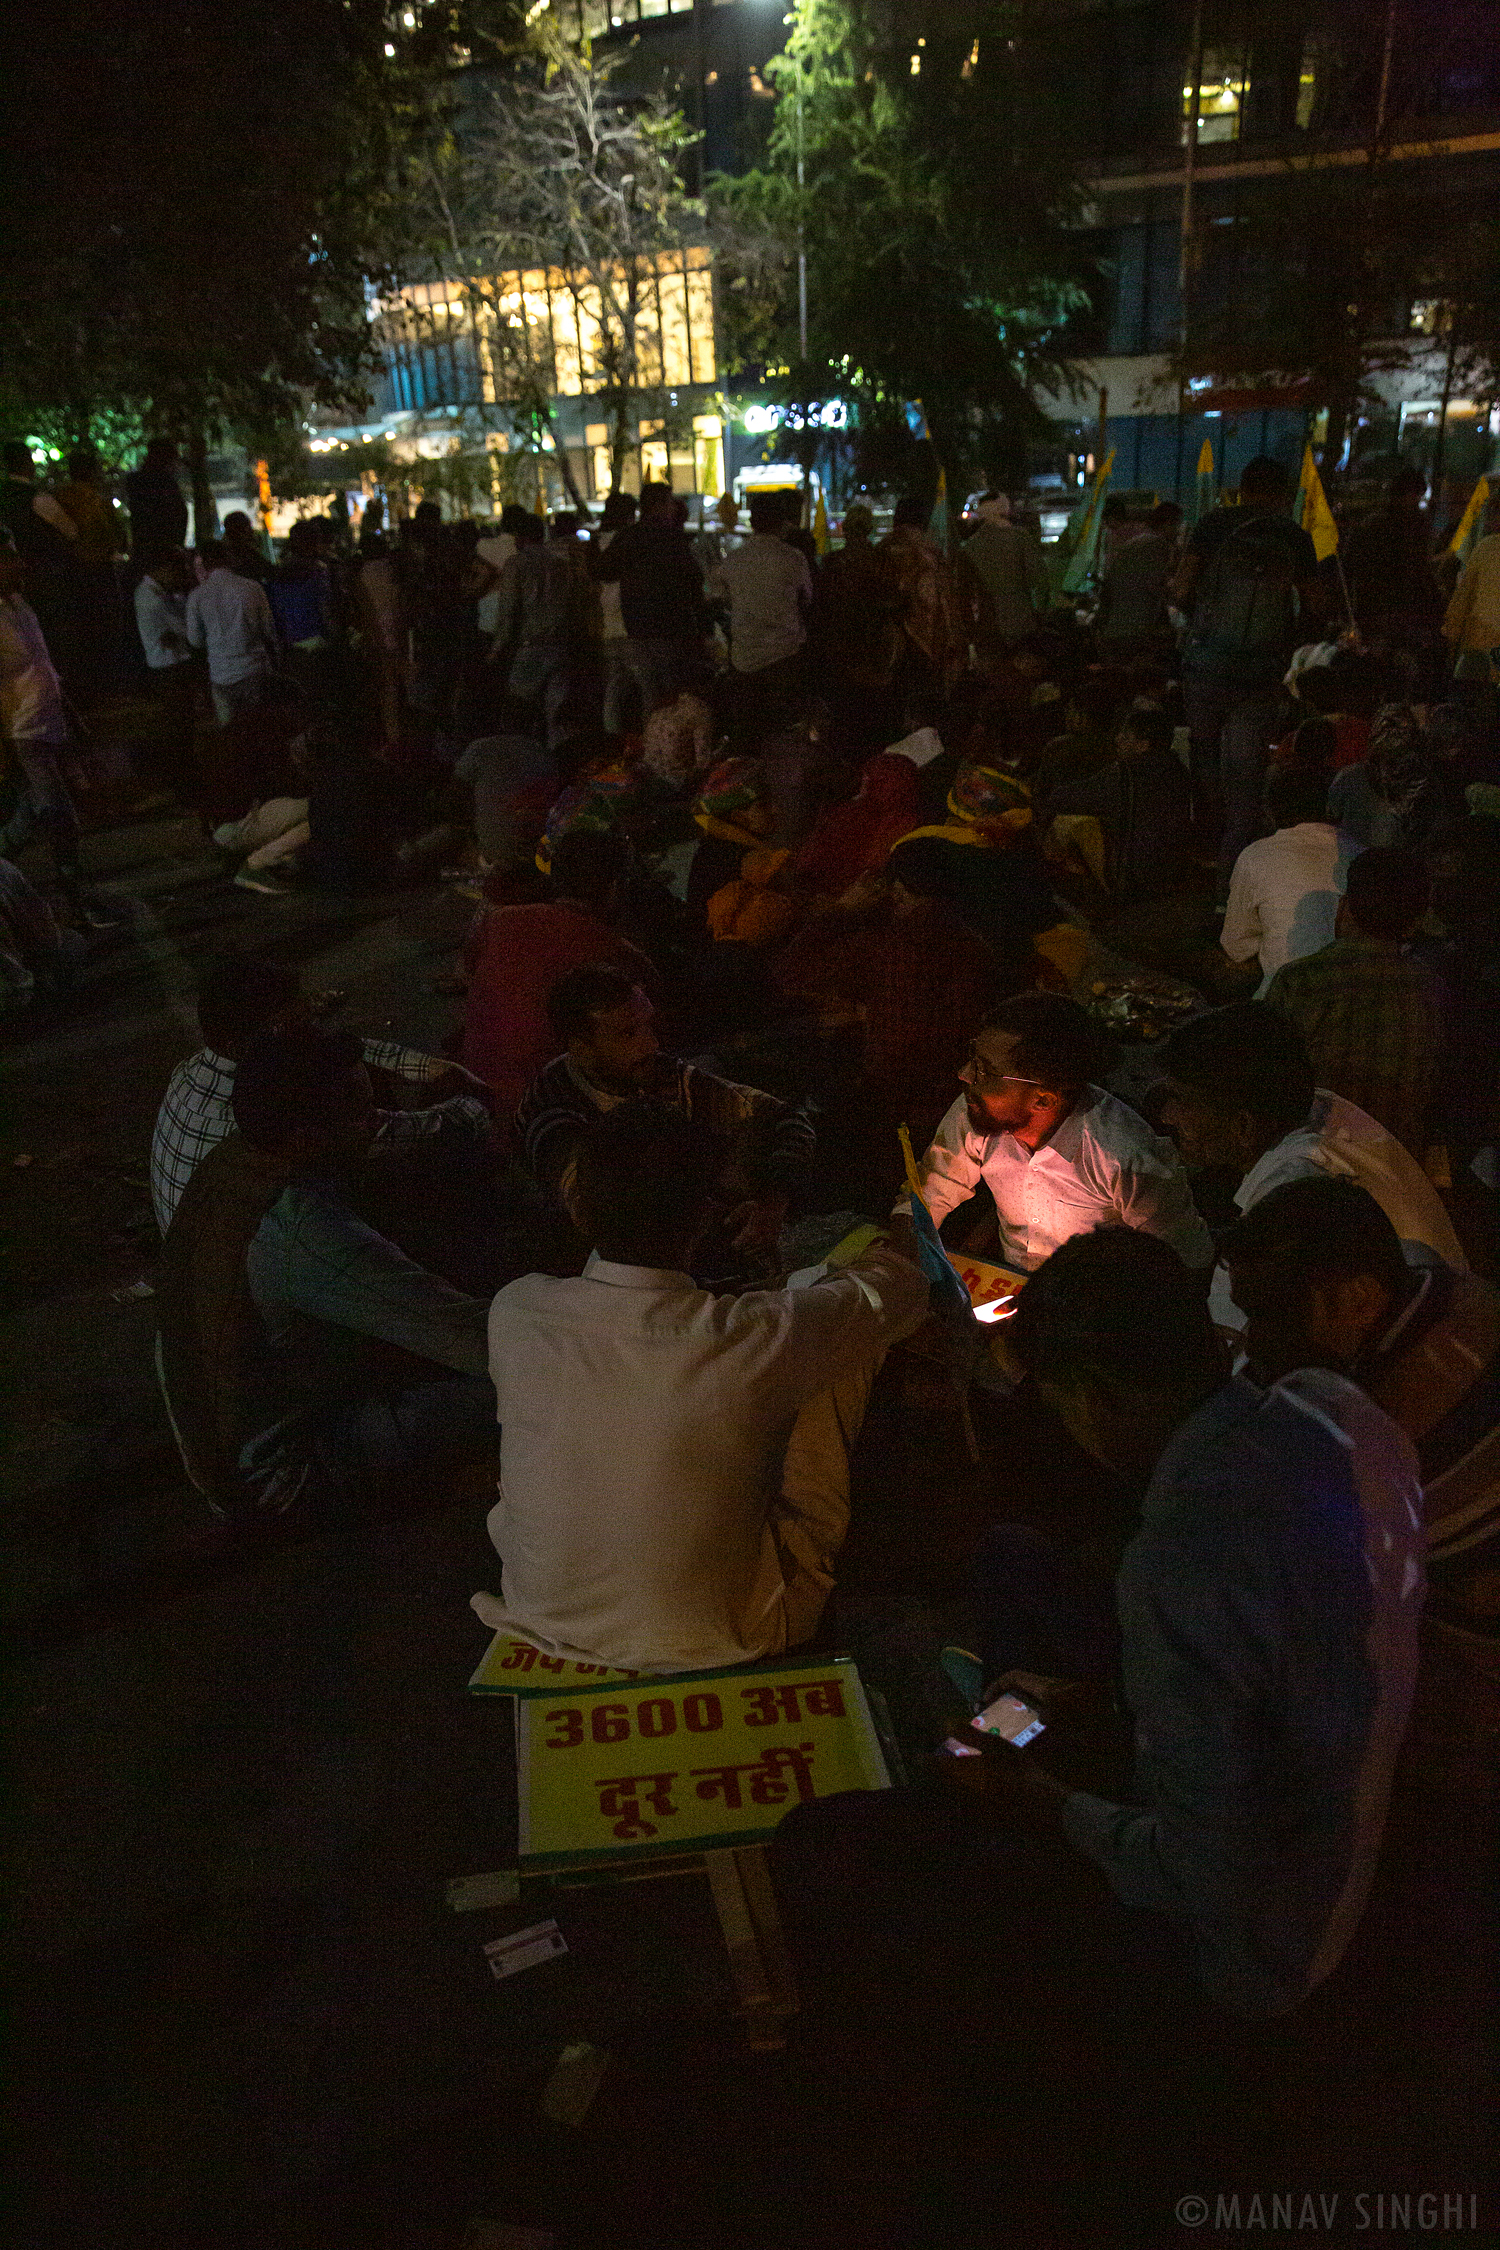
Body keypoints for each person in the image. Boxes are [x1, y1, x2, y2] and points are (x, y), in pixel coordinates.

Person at [478, 1100, 930, 1671]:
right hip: (731, 1632)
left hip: (541, 1607)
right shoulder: (749, 1334)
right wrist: (889, 1240)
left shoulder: (517, 1309)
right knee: (844, 1347)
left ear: (577, 1203)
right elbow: (903, 1294)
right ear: (702, 1219)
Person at [156, 1023, 498, 1519]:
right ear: (305, 1133)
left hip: (220, 1424)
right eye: (360, 1113)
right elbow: (478, 1343)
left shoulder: (236, 1159)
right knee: (522, 1380)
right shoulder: (300, 1231)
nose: (377, 1121)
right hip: (281, 1472)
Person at [1220, 1175, 1498, 1645]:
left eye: (1274, 1312)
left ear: (1361, 1298)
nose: (1258, 1336)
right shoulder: (1450, 1286)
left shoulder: (1371, 1424)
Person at [1154, 1002, 1465, 1331]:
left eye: (1183, 1101)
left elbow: (1241, 1337)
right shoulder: (1318, 1104)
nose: (1168, 1116)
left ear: (1244, 1127)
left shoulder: (1294, 1193)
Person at [150, 951, 482, 1233]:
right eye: (297, 1026)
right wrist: (476, 1107)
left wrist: (425, 1066)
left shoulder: (191, 1070)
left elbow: (331, 1049)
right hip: (253, 1286)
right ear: (240, 1042)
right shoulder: (267, 1112)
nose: (311, 1031)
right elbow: (377, 1130)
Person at [515, 962, 814, 1263]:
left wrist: (770, 1203)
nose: (651, 1044)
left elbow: (785, 1120)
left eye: (649, 1026)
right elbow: (608, 1225)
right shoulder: (553, 1112)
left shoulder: (654, 1072)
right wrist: (722, 1212)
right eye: (628, 1034)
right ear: (580, 1048)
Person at [903, 991, 1213, 1272]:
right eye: (973, 1058)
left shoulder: (1124, 1156)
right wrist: (896, 1255)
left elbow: (1182, 1261)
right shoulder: (978, 1109)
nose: (965, 1075)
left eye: (985, 1071)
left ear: (1043, 1099)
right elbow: (930, 1192)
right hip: (1010, 1277)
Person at [775, 834, 1004, 1159]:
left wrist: (841, 910)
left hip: (884, 1108)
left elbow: (791, 972)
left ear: (897, 888)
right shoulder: (975, 946)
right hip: (954, 1109)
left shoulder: (887, 945)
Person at [1175, 454, 1321, 887]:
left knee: (1203, 749)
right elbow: (1315, 605)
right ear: (1283, 495)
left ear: (1241, 487)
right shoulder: (1295, 538)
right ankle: (1233, 864)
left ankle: (1203, 838)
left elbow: (1181, 587)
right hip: (1258, 671)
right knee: (1245, 767)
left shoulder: (1213, 526)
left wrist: (1198, 619)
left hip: (1205, 664)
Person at [1262, 845, 1447, 1159]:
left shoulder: (1301, 979)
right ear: (1414, 923)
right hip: (1396, 1163)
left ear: (1344, 907)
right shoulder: (1432, 988)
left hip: (1314, 1158)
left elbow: (1265, 1080)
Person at [461, 826, 657, 1118]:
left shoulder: (500, 920)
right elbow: (651, 1012)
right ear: (615, 887)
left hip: (477, 1100)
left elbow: (470, 975)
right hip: (548, 1115)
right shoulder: (612, 951)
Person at [1044, 701, 1193, 913]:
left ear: (1143, 744)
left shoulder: (1128, 775)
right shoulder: (1177, 771)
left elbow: (1063, 798)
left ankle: (1091, 904)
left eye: (1125, 736)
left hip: (1133, 880)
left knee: (1066, 824)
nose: (1118, 740)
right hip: (1173, 875)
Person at [1219, 759, 1349, 991]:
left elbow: (1236, 946)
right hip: (1354, 999)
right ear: (1329, 805)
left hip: (1284, 1003)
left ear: (1271, 809)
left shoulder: (1256, 856)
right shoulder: (1360, 853)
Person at [595, 480, 710, 717]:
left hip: (637, 626)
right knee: (673, 694)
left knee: (650, 693)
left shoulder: (629, 536)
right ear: (660, 505)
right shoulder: (671, 537)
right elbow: (694, 582)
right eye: (669, 502)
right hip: (671, 627)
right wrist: (703, 627)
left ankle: (652, 739)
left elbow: (603, 570)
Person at [707, 493, 813, 749]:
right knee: (784, 732)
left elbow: (714, 596)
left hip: (745, 657)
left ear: (753, 521)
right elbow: (807, 599)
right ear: (782, 523)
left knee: (749, 735)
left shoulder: (734, 560)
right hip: (785, 656)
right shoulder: (793, 558)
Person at [878, 495, 963, 723]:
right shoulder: (933, 553)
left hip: (888, 642)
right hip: (928, 641)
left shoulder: (882, 549)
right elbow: (947, 602)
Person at [1327, 702, 1443, 852]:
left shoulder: (1349, 776)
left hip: (1353, 865)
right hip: (1397, 867)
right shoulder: (1428, 783)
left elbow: (1331, 816)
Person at [185, 542, 278, 726]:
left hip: (221, 674)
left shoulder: (197, 595)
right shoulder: (252, 588)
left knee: (231, 734)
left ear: (204, 563)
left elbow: (195, 641)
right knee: (259, 728)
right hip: (254, 669)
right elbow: (269, 630)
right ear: (229, 559)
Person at [133, 547, 199, 803]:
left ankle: (183, 786)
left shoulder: (157, 593)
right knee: (180, 732)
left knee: (181, 730)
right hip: (169, 670)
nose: (180, 575)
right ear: (160, 569)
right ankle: (184, 789)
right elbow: (184, 630)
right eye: (176, 570)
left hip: (171, 668)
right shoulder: (151, 598)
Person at [956, 492, 1050, 659]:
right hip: (1022, 624)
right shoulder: (1021, 538)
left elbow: (964, 593)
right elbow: (1039, 580)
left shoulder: (970, 546)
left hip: (988, 628)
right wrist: (1039, 615)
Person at [1094, 499, 1180, 660]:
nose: (1178, 532)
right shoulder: (1157, 544)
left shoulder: (1138, 541)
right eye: (1177, 526)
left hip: (1116, 626)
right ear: (1169, 523)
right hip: (1135, 628)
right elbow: (1154, 586)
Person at [1442, 507, 1500, 677]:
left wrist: (1451, 633)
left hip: (1482, 645)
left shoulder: (1487, 547)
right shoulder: (1487, 547)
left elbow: (1463, 598)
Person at [124, 439, 188, 562]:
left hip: (146, 546)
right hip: (162, 547)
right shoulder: (164, 482)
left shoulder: (135, 480)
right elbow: (178, 514)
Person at [220, 510, 272, 585]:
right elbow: (270, 571)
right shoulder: (248, 554)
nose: (252, 531)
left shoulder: (221, 553)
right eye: (248, 527)